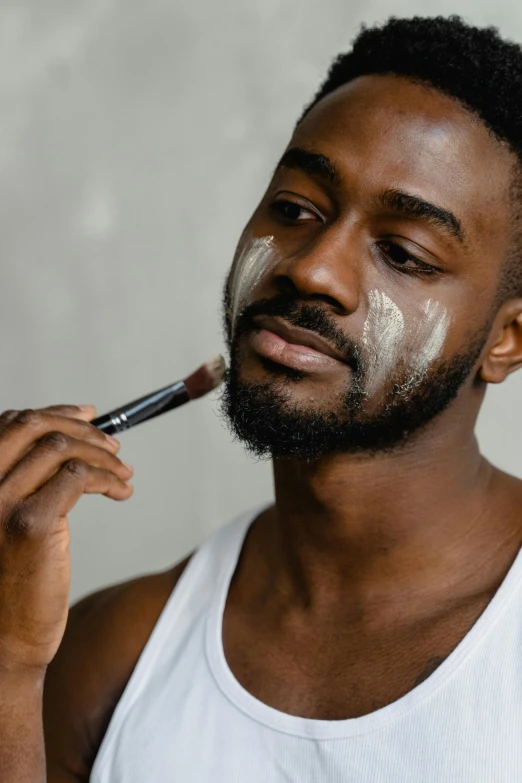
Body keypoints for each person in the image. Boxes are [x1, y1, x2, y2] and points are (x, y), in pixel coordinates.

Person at [2, 14, 522, 782]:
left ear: (507, 339)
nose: (313, 269)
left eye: (403, 252)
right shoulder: (114, 655)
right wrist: (10, 665)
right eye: (294, 209)